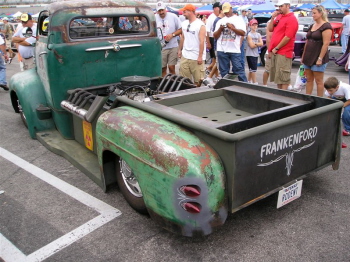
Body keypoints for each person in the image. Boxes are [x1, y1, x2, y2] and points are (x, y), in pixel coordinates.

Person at [301, 5, 332, 97]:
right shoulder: (312, 26)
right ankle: (308, 97)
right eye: (312, 13)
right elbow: (307, 41)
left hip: (318, 56)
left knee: (319, 81)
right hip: (308, 56)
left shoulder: (326, 26)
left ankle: (319, 99)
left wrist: (320, 58)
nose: (312, 15)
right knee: (309, 79)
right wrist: (303, 56)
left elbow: (326, 43)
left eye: (314, 13)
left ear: (321, 13)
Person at [267, 0, 298, 90]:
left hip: (284, 51)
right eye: (279, 6)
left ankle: (283, 97)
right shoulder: (279, 16)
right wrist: (273, 18)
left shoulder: (292, 18)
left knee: (283, 77)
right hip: (276, 51)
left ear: (288, 6)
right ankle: (279, 96)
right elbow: (270, 29)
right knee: (278, 77)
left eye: (281, 6)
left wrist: (276, 48)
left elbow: (288, 37)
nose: (279, 8)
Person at [213, 2, 247, 82]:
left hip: (234, 49)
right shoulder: (220, 21)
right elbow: (215, 36)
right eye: (225, 11)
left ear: (231, 9)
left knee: (238, 69)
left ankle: (245, 87)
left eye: (228, 11)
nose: (226, 13)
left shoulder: (238, 19)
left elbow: (243, 33)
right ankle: (226, 88)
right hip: (222, 49)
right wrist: (220, 29)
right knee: (224, 71)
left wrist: (233, 28)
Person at [178, 4, 206, 87]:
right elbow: (183, 37)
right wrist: (180, 50)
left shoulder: (200, 25)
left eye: (185, 11)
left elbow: (202, 41)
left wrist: (200, 56)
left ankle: (196, 96)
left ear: (191, 12)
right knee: (184, 80)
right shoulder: (184, 23)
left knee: (198, 81)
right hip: (185, 55)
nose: (183, 13)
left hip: (196, 56)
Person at [156, 2, 182, 77]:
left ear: (165, 9)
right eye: (159, 11)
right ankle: (164, 84)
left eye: (162, 10)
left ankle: (173, 84)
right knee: (162, 68)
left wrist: (172, 34)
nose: (161, 12)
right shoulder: (154, 17)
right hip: (161, 47)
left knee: (171, 67)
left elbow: (181, 29)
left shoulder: (173, 16)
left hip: (173, 46)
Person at [324, 77, 350, 148]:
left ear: (337, 87)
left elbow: (349, 100)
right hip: (338, 98)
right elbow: (329, 98)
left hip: (348, 100)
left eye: (330, 90)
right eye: (327, 90)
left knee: (346, 112)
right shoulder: (330, 89)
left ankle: (348, 129)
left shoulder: (345, 88)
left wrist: (341, 106)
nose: (329, 92)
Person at [205, 2, 221, 75]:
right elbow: (207, 31)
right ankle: (210, 71)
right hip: (212, 39)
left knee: (215, 60)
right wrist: (208, 42)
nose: (220, 9)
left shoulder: (218, 17)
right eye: (219, 7)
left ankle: (212, 72)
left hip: (216, 39)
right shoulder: (211, 18)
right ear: (215, 8)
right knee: (215, 59)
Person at [246, 19, 263, 84]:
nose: (255, 26)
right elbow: (251, 46)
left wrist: (255, 44)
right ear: (250, 26)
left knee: (252, 69)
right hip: (250, 54)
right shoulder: (249, 35)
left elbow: (261, 43)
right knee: (253, 69)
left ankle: (249, 80)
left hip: (255, 53)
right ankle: (254, 82)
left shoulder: (258, 34)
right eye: (253, 25)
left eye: (256, 25)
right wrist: (257, 44)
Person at [263, 18, 273, 86]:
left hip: (279, 52)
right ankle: (264, 85)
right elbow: (268, 39)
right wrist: (269, 51)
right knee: (267, 70)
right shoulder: (271, 22)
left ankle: (288, 84)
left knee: (280, 70)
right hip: (270, 51)